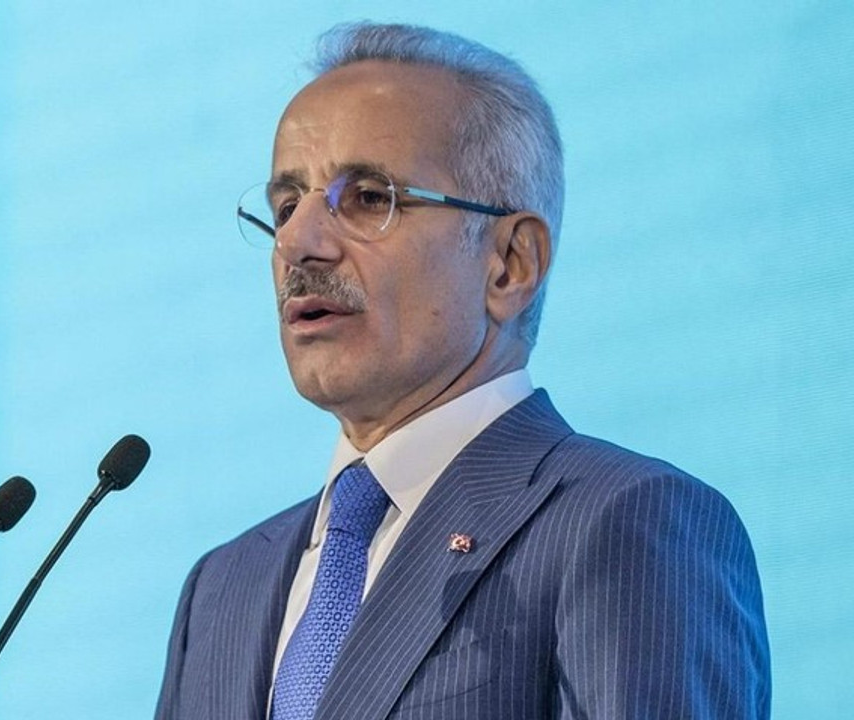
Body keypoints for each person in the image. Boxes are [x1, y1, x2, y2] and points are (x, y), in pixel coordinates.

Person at [154, 21, 770, 720]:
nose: (297, 242)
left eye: (369, 197)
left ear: (510, 264)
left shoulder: (624, 523)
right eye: (286, 206)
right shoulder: (222, 589)